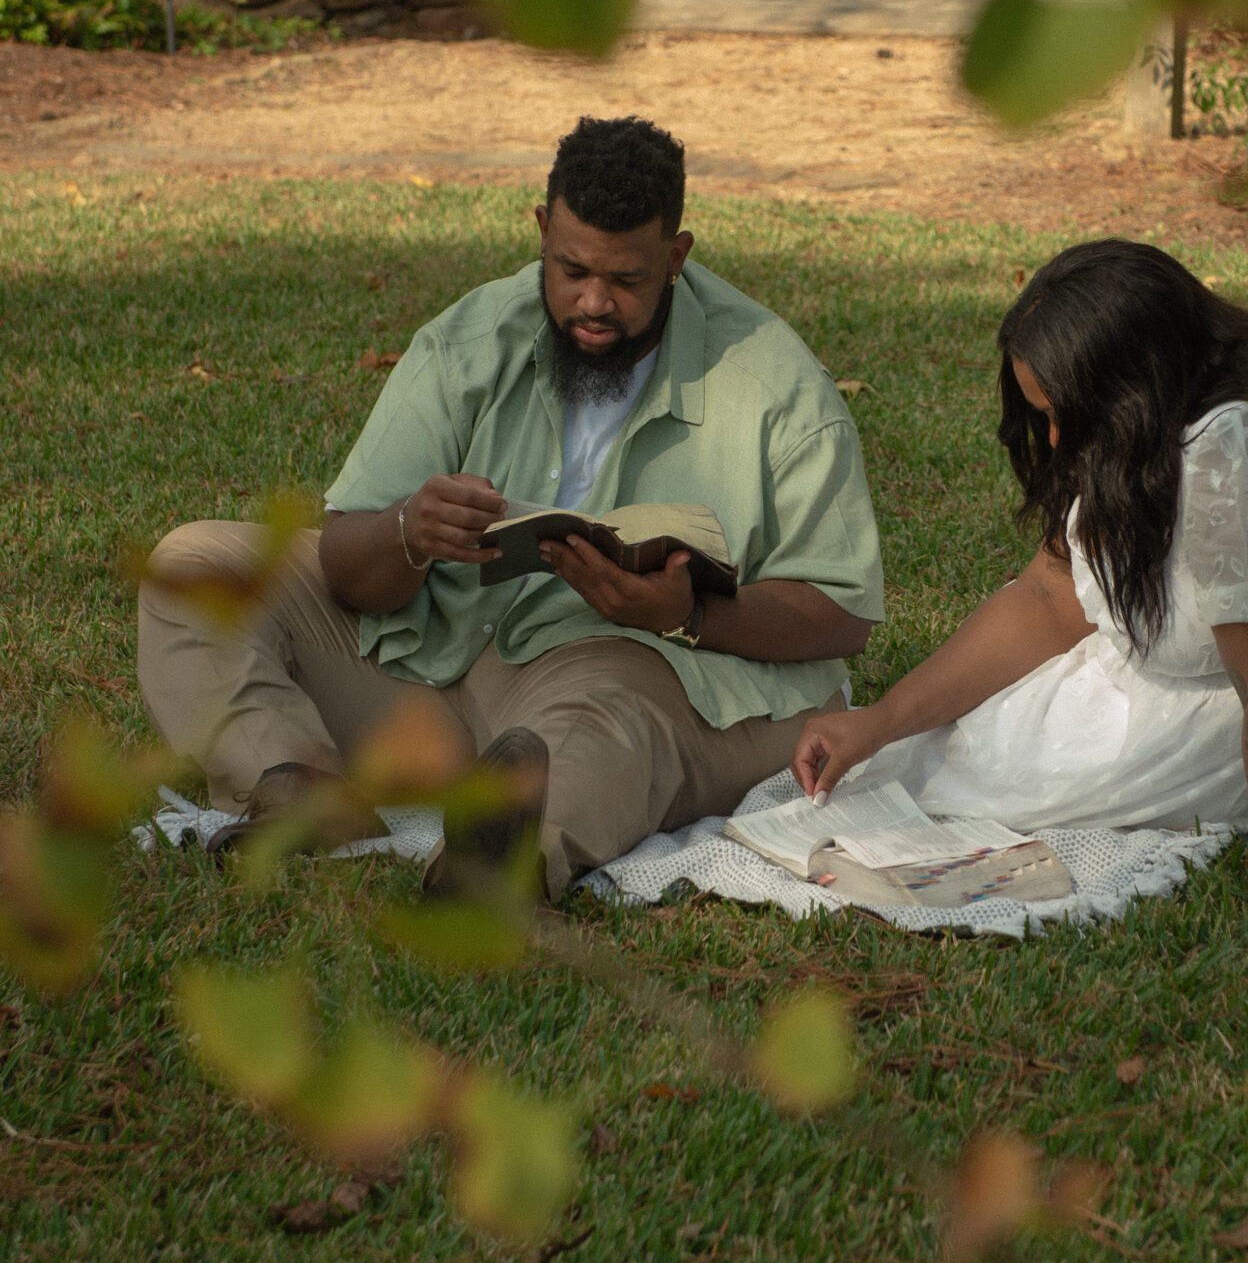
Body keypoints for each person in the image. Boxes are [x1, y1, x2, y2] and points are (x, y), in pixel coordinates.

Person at [139, 116, 886, 897]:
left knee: (605, 731)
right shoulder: (468, 341)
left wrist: (685, 614)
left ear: (676, 256)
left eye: (626, 281)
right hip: (437, 654)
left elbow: (839, 613)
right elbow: (348, 571)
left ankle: (499, 862)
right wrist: (406, 532)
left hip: (631, 668)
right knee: (194, 566)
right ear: (539, 232)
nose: (593, 302)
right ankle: (297, 787)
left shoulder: (775, 384)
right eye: (569, 270)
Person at [791, 240, 1248, 926]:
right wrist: (878, 723)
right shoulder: (1166, 415)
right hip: (1228, 686)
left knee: (961, 789)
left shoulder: (1241, 452)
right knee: (917, 755)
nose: (1058, 441)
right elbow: (1048, 598)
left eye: (1062, 414)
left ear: (1135, 387)